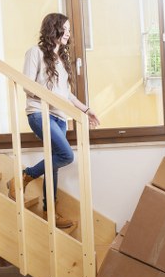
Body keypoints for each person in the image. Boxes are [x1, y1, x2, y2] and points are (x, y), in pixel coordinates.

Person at [7, 13, 100, 228]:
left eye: (69, 29)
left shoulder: (61, 59)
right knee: (66, 155)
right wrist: (52, 99)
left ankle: (50, 213)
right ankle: (24, 177)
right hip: (39, 113)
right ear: (53, 29)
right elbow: (27, 86)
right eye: (64, 28)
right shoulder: (35, 52)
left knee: (54, 164)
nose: (68, 32)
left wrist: (86, 110)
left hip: (60, 118)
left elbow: (66, 95)